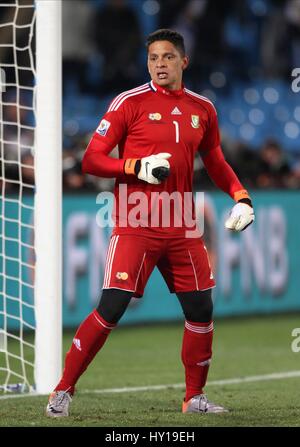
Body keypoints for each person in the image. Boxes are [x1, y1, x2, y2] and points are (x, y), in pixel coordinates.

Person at [46, 29, 255, 417]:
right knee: (112, 306)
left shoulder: (203, 109)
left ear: (183, 61)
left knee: (201, 309)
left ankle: (194, 398)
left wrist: (241, 195)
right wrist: (133, 165)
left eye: (167, 57)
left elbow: (215, 161)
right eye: (153, 58)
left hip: (181, 224)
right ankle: (62, 390)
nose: (160, 64)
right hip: (136, 221)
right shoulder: (129, 102)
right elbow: (91, 159)